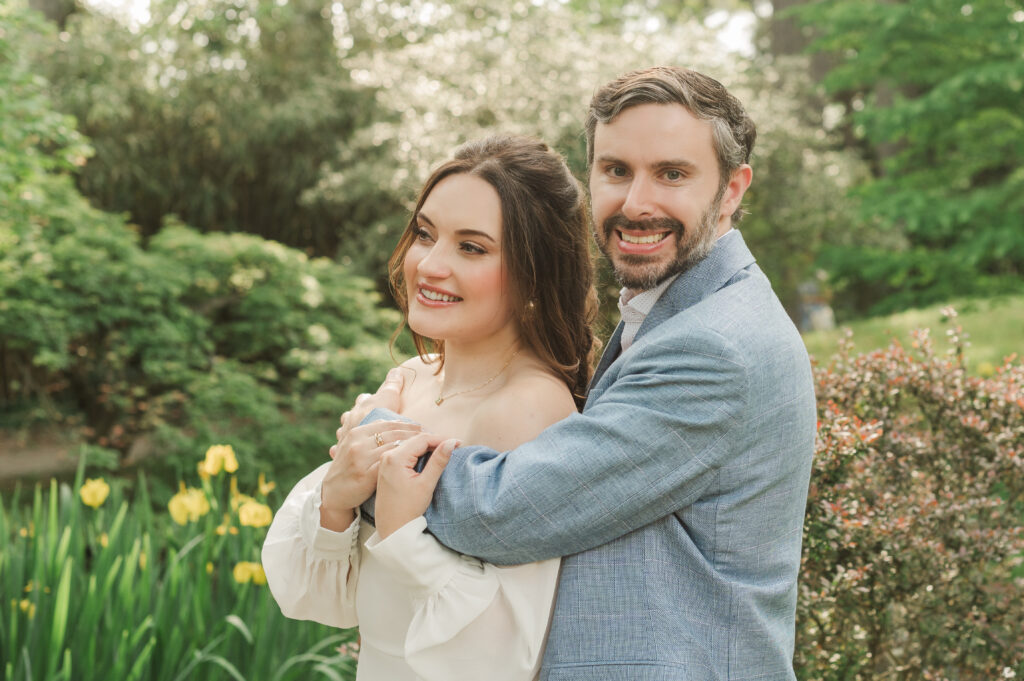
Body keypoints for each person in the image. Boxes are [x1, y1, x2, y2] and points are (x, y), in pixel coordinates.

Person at [346, 66, 818, 680]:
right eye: (617, 171)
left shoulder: (716, 348)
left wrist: (377, 438)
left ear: (731, 190)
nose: (636, 202)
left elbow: (504, 511)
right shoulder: (679, 309)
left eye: (672, 174)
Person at [262, 135, 597, 681]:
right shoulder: (411, 380)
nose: (429, 265)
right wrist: (336, 500)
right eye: (425, 233)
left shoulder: (525, 409)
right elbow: (321, 601)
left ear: (536, 274)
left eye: (472, 247)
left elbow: (504, 656)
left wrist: (398, 529)